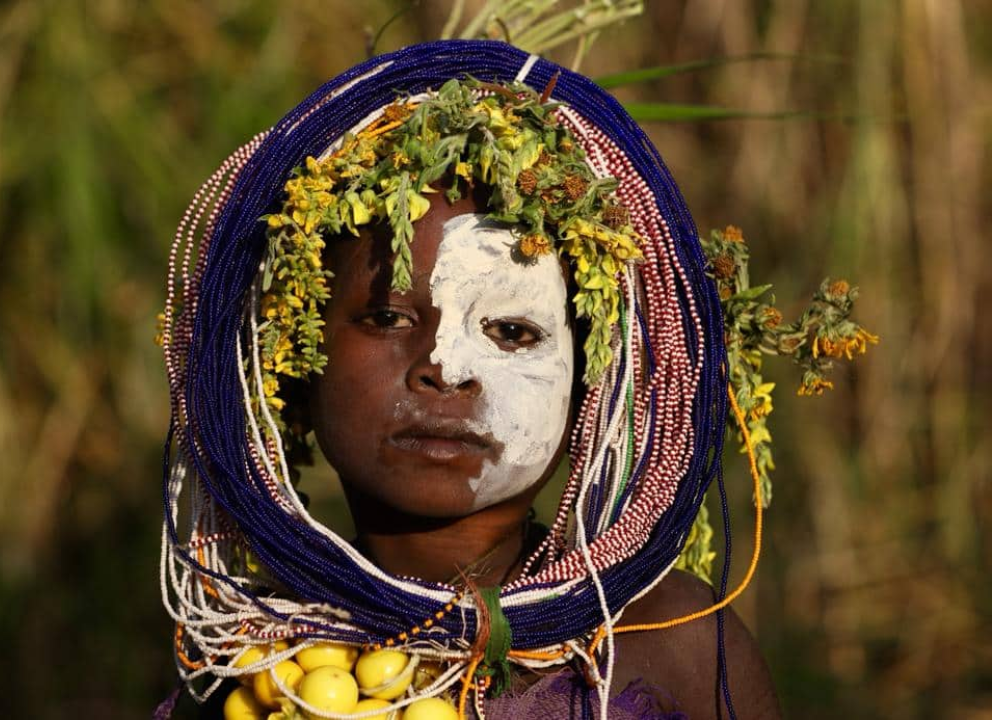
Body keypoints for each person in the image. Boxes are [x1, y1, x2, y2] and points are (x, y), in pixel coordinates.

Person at [159, 40, 780, 719]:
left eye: (513, 332)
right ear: (294, 362)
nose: (446, 368)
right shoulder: (258, 669)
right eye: (389, 317)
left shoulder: (673, 643)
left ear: (590, 393)